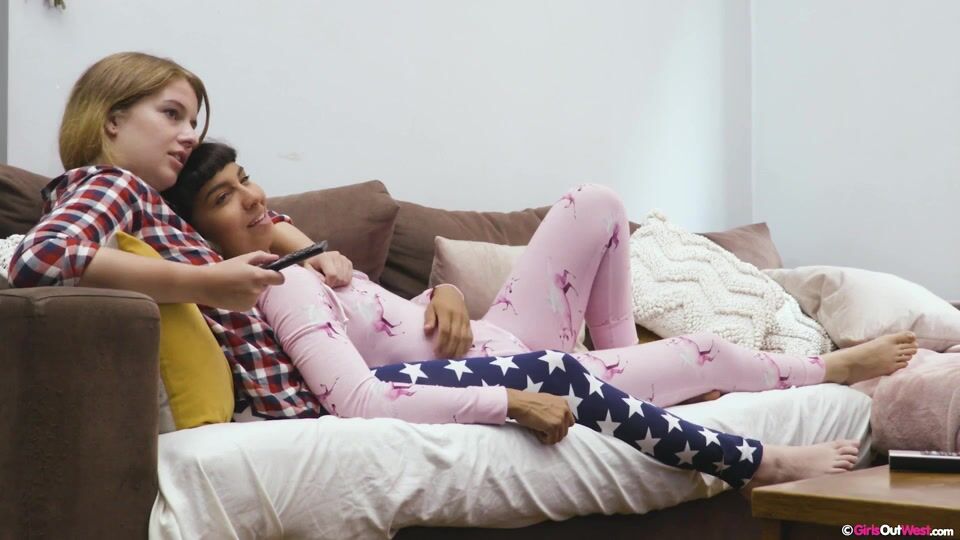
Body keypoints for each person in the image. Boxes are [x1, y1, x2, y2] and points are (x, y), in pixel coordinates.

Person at [5, 51, 878, 492]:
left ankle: (646, 383)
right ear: (110, 120)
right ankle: (765, 443)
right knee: (636, 360)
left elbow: (368, 309)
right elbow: (38, 257)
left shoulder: (244, 244)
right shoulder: (115, 187)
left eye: (194, 120)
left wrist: (425, 285)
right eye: (171, 114)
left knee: (596, 210)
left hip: (457, 341)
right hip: (407, 375)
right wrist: (218, 281)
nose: (186, 132)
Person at [164, 141, 916, 488]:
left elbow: (389, 322)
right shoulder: (279, 290)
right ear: (199, 233)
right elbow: (360, 395)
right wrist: (506, 397)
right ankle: (825, 372)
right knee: (704, 352)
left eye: (246, 178)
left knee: (597, 202)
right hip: (506, 365)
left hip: (499, 332)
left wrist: (441, 295)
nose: (252, 197)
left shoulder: (307, 263)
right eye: (226, 198)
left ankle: (624, 372)